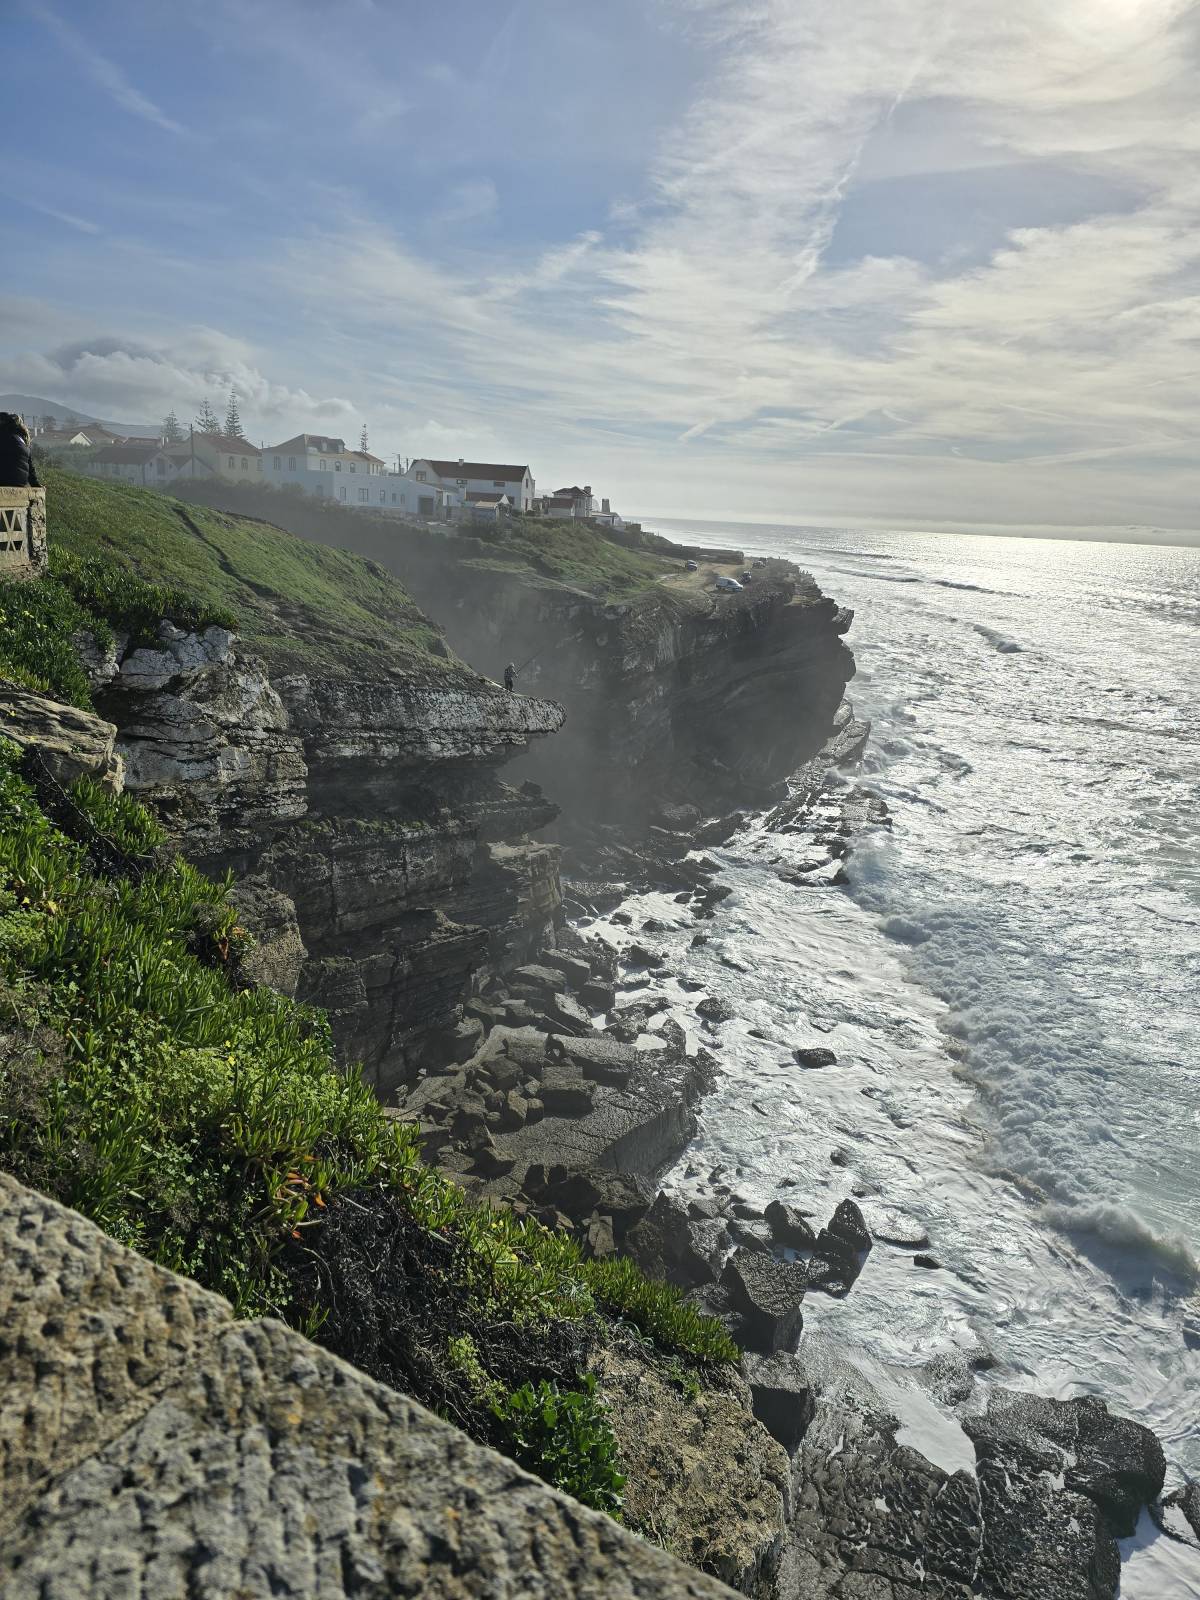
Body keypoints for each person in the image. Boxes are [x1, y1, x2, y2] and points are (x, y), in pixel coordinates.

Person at [0, 414, 40, 489]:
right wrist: (36, 484)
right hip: (19, 482)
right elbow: (31, 468)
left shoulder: (2, 435)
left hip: (3, 480)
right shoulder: (22, 440)